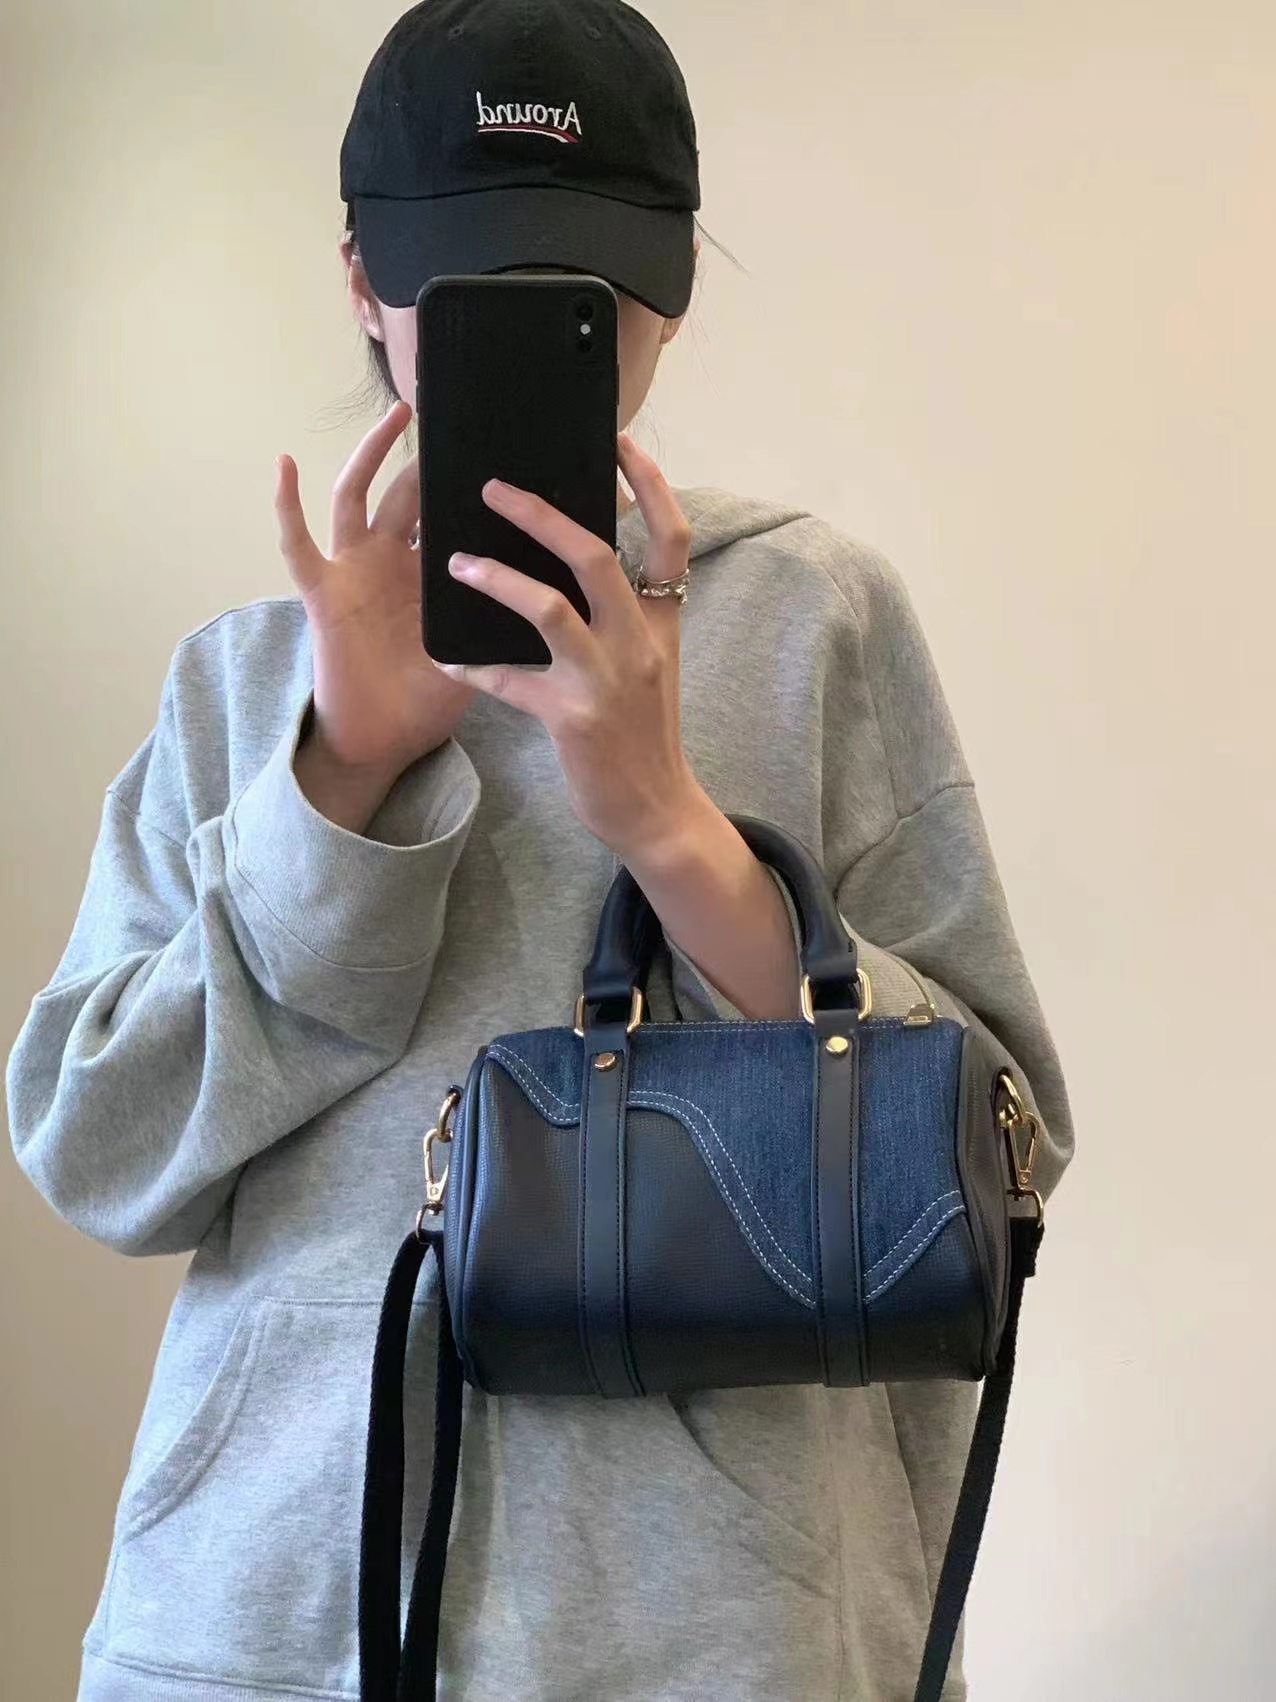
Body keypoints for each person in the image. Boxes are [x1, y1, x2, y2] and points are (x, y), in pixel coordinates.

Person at [5, 2, 1076, 1698]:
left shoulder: (812, 619)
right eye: (462, 277)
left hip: (730, 1637)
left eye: (580, 284)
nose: (520, 321)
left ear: (673, 286)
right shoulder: (245, 681)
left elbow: (997, 1155)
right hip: (277, 1621)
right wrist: (339, 779)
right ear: (362, 281)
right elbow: (96, 1148)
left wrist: (672, 827)